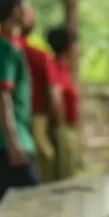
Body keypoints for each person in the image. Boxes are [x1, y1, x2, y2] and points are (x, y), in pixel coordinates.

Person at [0, 0, 40, 201]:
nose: (29, 11)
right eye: (25, 5)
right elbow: (1, 96)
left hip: (18, 138)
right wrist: (13, 142)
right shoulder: (3, 50)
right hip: (8, 142)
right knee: (26, 200)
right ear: (15, 10)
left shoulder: (13, 47)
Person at [19, 5, 64, 182]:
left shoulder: (5, 52)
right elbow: (54, 95)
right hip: (38, 119)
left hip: (22, 120)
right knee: (46, 160)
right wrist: (57, 120)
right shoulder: (40, 57)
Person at [46, 26, 83, 180]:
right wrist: (60, 124)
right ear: (70, 47)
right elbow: (55, 94)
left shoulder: (65, 70)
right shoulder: (56, 67)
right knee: (65, 174)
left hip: (70, 128)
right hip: (63, 130)